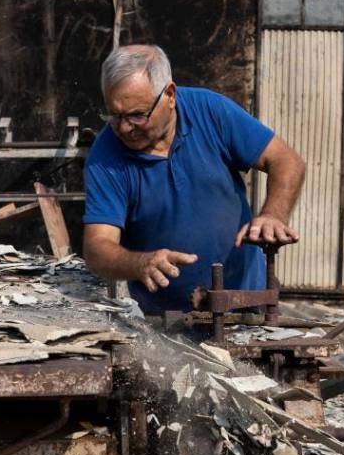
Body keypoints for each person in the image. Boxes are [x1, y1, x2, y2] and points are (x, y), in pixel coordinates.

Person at [82, 44, 306, 316]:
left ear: (170, 95)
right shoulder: (105, 157)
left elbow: (286, 160)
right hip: (165, 321)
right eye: (115, 116)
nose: (125, 128)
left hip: (247, 302)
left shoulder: (211, 112)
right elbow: (97, 247)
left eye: (137, 115)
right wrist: (140, 263)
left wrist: (273, 214)